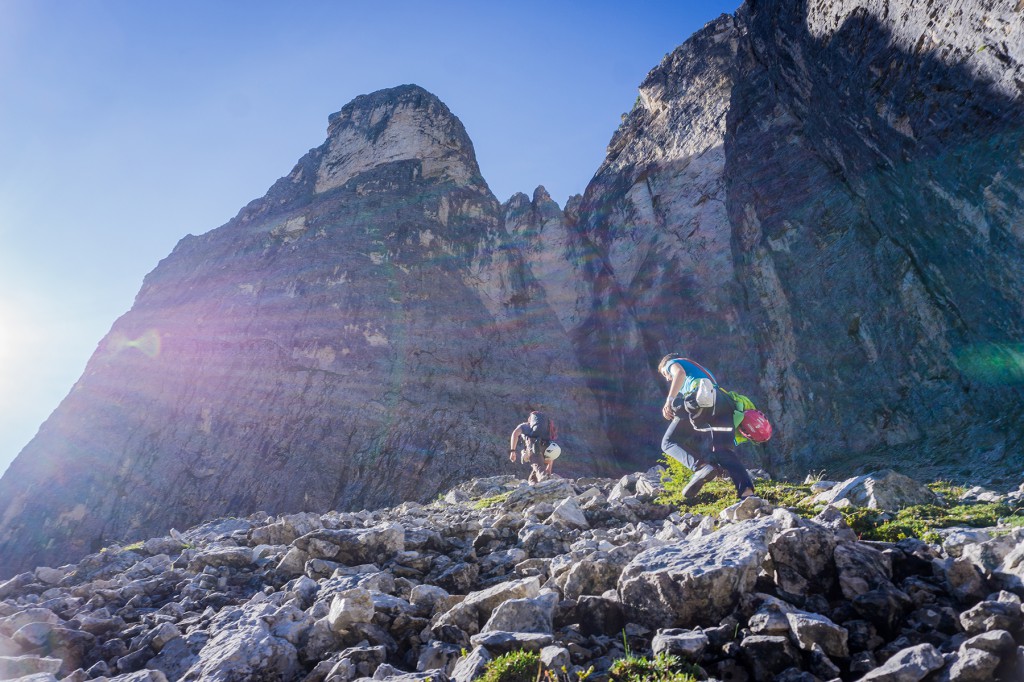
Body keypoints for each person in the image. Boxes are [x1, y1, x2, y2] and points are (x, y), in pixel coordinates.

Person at [657, 353, 771, 501]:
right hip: (723, 403)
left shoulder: (672, 362)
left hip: (700, 399)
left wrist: (669, 400)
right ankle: (747, 492)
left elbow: (679, 373)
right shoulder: (703, 371)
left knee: (668, 442)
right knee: (723, 451)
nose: (667, 378)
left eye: (665, 374)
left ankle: (701, 467)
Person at [509, 411, 560, 485]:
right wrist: (549, 468)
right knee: (536, 469)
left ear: (530, 419)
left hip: (534, 447)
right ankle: (533, 483)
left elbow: (515, 433)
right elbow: (550, 448)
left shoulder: (525, 426)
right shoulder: (545, 430)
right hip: (546, 448)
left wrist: (512, 451)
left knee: (538, 466)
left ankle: (545, 479)